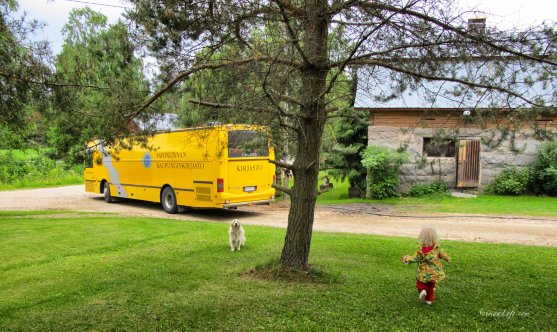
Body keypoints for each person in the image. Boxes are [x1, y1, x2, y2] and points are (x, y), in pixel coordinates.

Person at [401, 226, 451, 305]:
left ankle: (423, 290)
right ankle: (429, 300)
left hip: (423, 271)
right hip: (434, 272)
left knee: (420, 282)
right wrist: (446, 258)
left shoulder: (421, 249)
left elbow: (416, 258)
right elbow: (441, 254)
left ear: (422, 237)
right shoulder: (436, 247)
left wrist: (407, 259)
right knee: (431, 285)